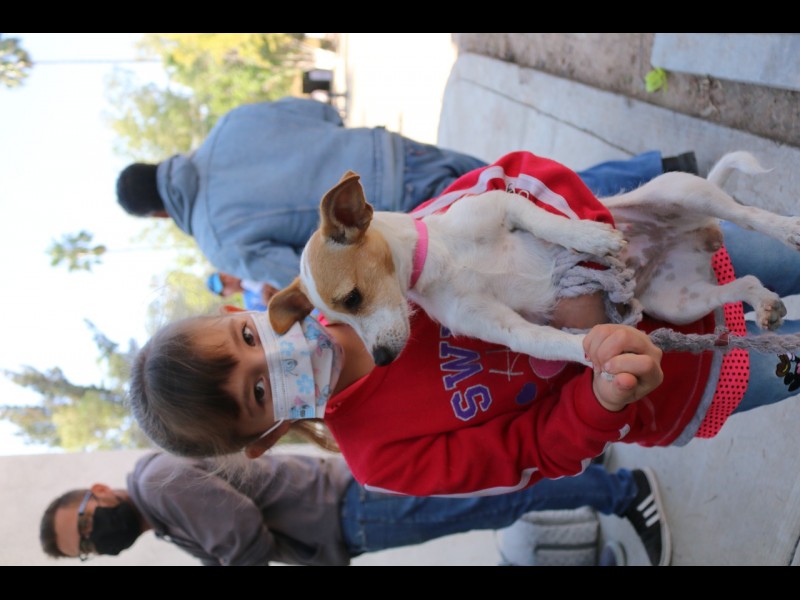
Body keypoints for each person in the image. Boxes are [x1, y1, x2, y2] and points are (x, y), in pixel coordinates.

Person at [126, 151, 800, 559]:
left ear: (242, 313)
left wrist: (586, 267)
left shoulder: (369, 262)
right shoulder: (381, 458)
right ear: (266, 438)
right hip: (691, 380)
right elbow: (536, 453)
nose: (273, 360)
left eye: (248, 340)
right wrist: (601, 397)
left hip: (682, 252)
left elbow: (514, 184)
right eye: (257, 393)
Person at [114, 96, 695, 290]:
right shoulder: (229, 125)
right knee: (532, 192)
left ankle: (673, 204)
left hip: (402, 216)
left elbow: (316, 273)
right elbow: (321, 113)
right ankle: (662, 174)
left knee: (540, 218)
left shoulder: (218, 241)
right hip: (400, 154)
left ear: (160, 214)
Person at [39, 450, 666, 566]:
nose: (97, 538)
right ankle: (589, 468)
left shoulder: (155, 484)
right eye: (86, 547)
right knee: (488, 493)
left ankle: (624, 492)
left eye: (85, 524)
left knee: (494, 502)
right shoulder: (160, 514)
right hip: (348, 514)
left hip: (348, 509)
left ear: (98, 492)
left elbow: (241, 532)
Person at [206, 271, 278, 312]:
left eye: (224, 277)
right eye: (224, 285)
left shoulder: (249, 269)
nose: (228, 281)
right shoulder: (251, 306)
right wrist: (270, 303)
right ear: (225, 295)